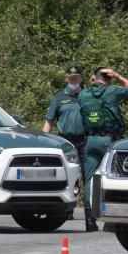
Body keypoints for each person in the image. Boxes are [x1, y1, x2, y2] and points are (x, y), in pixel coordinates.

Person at [80, 67, 128, 231]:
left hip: (90, 140)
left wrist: (92, 84)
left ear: (95, 77)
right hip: (109, 140)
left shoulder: (84, 94)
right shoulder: (112, 90)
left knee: (90, 178)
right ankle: (116, 216)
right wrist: (119, 76)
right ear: (109, 78)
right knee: (117, 175)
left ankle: (89, 220)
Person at [43, 65, 87, 211]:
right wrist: (45, 141)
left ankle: (89, 207)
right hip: (66, 142)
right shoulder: (59, 96)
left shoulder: (88, 95)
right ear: (66, 78)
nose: (73, 80)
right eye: (71, 78)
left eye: (76, 78)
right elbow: (49, 120)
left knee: (88, 174)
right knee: (68, 175)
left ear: (81, 78)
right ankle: (68, 209)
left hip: (86, 140)